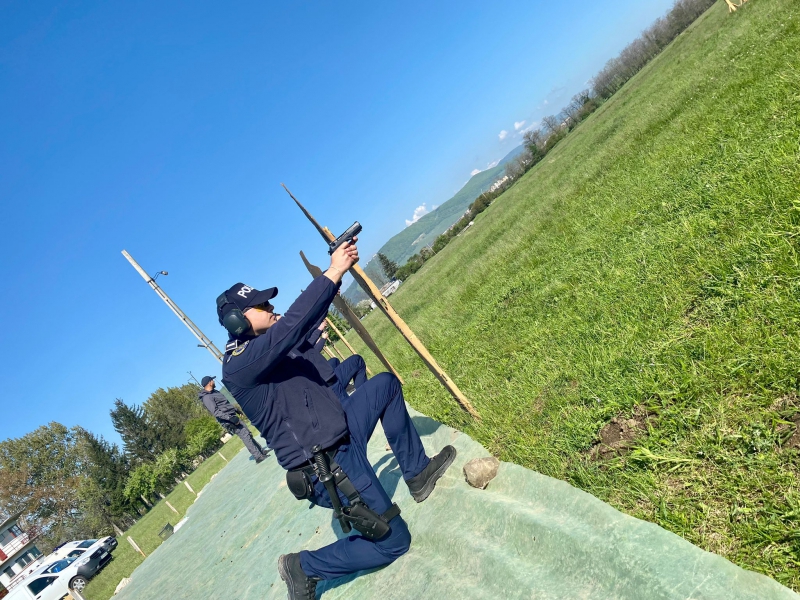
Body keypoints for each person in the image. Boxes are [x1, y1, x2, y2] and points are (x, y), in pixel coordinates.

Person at [216, 239, 456, 600]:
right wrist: (333, 271)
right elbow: (291, 326)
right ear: (236, 320)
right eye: (261, 305)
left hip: (341, 431)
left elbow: (300, 327)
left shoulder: (269, 348)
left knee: (385, 385)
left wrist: (332, 285)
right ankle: (304, 566)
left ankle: (417, 472)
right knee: (394, 542)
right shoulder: (240, 364)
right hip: (327, 467)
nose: (270, 307)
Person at [198, 375, 269, 463]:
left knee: (247, 433)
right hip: (227, 420)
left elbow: (225, 404)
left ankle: (261, 451)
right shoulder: (207, 397)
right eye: (212, 380)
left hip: (232, 416)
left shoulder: (215, 392)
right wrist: (229, 418)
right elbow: (216, 412)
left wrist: (236, 410)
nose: (214, 381)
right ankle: (258, 457)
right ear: (209, 382)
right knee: (245, 435)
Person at [309, 320, 368, 398]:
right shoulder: (296, 349)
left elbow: (310, 349)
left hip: (317, 383)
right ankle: (365, 397)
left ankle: (346, 387)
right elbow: (311, 350)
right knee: (357, 360)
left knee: (334, 361)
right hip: (326, 385)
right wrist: (321, 334)